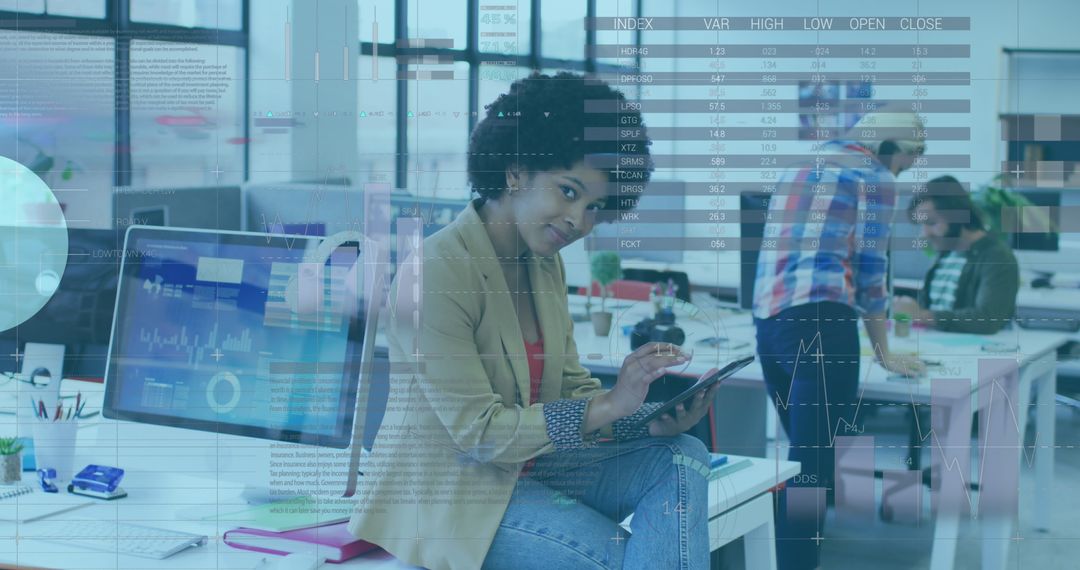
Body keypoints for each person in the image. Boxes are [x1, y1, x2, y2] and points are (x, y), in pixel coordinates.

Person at [350, 72, 717, 570]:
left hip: (531, 467)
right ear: (516, 171)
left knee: (682, 456)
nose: (579, 221)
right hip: (456, 492)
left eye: (594, 208)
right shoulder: (434, 271)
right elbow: (480, 435)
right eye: (568, 192)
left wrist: (640, 418)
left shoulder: (542, 262)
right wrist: (607, 406)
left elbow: (568, 386)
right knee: (618, 554)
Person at [752, 110, 928, 570]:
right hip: (821, 325)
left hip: (769, 327)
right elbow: (872, 271)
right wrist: (884, 351)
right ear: (895, 145)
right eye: (914, 154)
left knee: (806, 462)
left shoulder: (801, 167)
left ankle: (774, 552)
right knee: (811, 470)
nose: (910, 166)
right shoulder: (874, 178)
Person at [892, 175, 1020, 334]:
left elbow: (987, 320)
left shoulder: (997, 256)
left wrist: (920, 315)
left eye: (931, 223)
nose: (924, 234)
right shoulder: (945, 255)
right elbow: (932, 308)